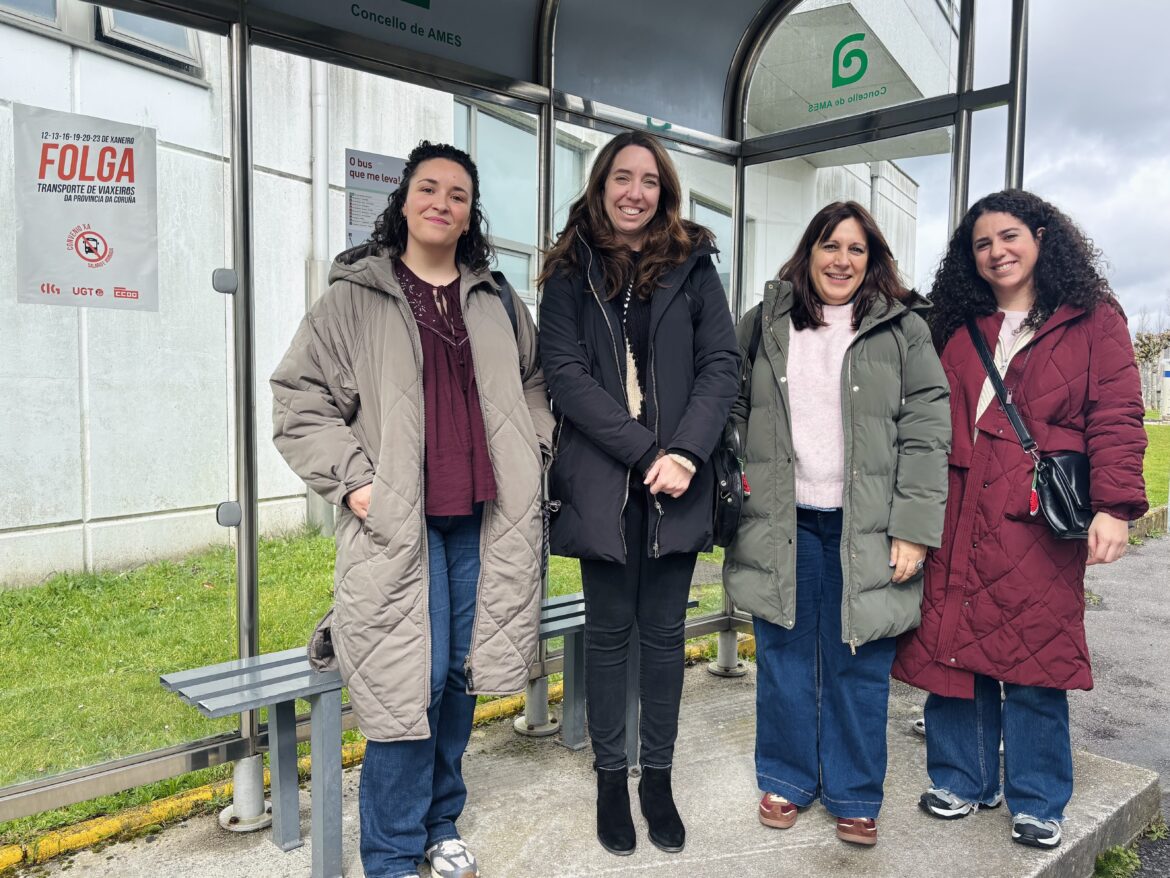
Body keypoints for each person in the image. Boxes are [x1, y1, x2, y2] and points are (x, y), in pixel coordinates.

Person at [271, 141, 554, 878]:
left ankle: (440, 822)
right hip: (398, 525)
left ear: (470, 213)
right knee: (408, 684)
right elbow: (299, 401)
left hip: (484, 520)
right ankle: (392, 852)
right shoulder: (354, 298)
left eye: (458, 194)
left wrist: (534, 448)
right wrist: (356, 484)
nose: (442, 203)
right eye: (428, 188)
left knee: (460, 674)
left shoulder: (495, 299)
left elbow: (534, 382)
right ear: (402, 201)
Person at [893, 189, 1148, 850]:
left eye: (1008, 236)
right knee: (952, 643)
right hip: (955, 503)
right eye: (981, 243)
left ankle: (1037, 797)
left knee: (1034, 653)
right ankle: (961, 778)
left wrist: (1114, 506)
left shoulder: (1091, 318)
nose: (996, 252)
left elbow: (1117, 415)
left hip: (1032, 512)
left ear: (1041, 237)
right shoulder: (957, 321)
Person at [722, 201, 951, 846]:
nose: (841, 260)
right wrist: (740, 462)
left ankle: (854, 791)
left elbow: (927, 433)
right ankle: (787, 778)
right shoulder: (765, 321)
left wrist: (913, 529)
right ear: (809, 252)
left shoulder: (904, 330)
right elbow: (728, 399)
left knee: (859, 661)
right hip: (782, 520)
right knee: (784, 656)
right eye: (829, 245)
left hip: (867, 526)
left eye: (855, 248)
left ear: (872, 258)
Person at [537, 131, 739, 856]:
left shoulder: (693, 263)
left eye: (649, 180)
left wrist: (684, 453)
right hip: (603, 482)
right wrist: (646, 451)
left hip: (679, 481)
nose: (635, 192)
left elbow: (722, 364)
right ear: (601, 185)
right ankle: (609, 779)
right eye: (622, 177)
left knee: (662, 637)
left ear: (665, 191)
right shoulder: (570, 268)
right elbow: (564, 374)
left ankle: (657, 778)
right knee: (608, 635)